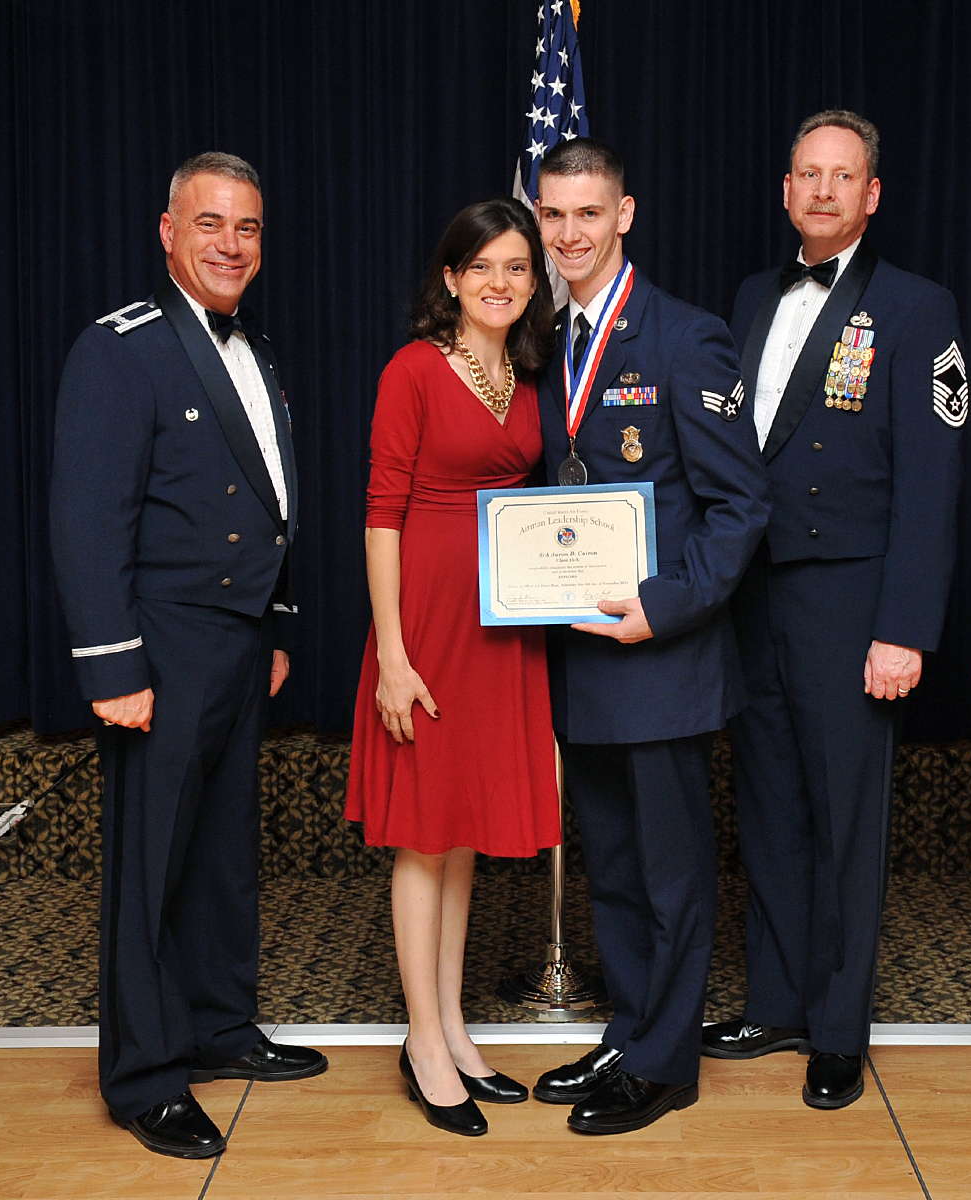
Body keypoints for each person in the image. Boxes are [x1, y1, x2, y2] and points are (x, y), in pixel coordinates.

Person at [49, 152, 326, 1159]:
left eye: (247, 228)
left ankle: (218, 1026)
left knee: (220, 854)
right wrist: (113, 667)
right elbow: (87, 519)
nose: (230, 244)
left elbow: (271, 503)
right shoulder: (121, 349)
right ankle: (145, 1074)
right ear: (167, 232)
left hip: (240, 643)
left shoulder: (252, 348)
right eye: (209, 224)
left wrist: (280, 621)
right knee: (152, 863)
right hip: (158, 645)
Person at [709, 110, 966, 1111]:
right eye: (806, 174)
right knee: (768, 808)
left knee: (846, 821)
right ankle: (775, 999)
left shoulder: (917, 308)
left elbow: (932, 480)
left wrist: (904, 627)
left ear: (871, 195)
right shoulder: (748, 298)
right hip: (756, 597)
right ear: (786, 191)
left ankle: (838, 1029)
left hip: (854, 606)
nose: (822, 190)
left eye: (842, 176)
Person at [525, 138, 771, 1135]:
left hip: (659, 658)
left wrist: (664, 607)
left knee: (669, 874)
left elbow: (740, 507)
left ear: (625, 215)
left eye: (589, 213)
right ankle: (631, 1033)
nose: (570, 233)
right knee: (614, 871)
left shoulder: (685, 338)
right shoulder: (542, 341)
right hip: (579, 659)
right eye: (553, 215)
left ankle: (666, 1061)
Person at [344, 198, 563, 1138]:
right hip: (428, 627)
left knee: (461, 830)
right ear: (450, 278)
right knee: (422, 836)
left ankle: (455, 1030)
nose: (501, 283)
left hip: (501, 629)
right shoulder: (414, 371)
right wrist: (392, 655)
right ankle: (422, 1041)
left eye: (518, 267)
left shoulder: (524, 373)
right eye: (483, 267)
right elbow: (380, 513)